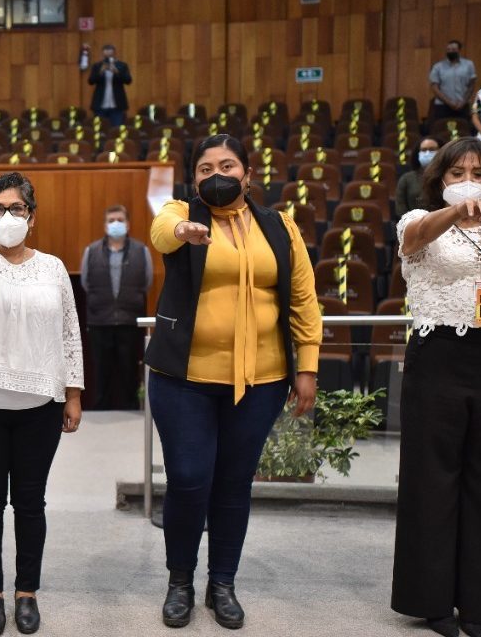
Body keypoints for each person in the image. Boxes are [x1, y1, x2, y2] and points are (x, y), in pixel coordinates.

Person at [145, 134, 320, 630]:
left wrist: (305, 367)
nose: (215, 175)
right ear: (193, 177)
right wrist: (183, 229)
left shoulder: (279, 226)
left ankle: (222, 582)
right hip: (184, 379)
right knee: (187, 480)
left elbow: (304, 300)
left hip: (261, 380)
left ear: (248, 173)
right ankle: (180, 581)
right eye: (204, 168)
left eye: (226, 165)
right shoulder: (181, 213)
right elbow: (161, 231)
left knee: (233, 485)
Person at [392, 137, 481, 637]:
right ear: (440, 180)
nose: (468, 180)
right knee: (432, 480)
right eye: (457, 173)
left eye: (477, 172)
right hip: (438, 359)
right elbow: (413, 243)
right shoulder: (419, 219)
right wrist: (454, 213)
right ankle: (429, 600)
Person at [0, 171, 84, 636]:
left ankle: (26, 592)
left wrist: (72, 391)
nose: (7, 217)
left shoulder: (52, 268)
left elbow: (69, 331)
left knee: (30, 503)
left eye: (16, 209)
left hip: (40, 406)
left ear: (32, 215)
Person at [80, 204, 152, 410]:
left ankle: (130, 408)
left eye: (119, 220)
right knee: (101, 371)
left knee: (128, 370)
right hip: (99, 321)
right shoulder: (91, 251)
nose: (115, 224)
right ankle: (101, 409)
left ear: (127, 224)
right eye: (111, 220)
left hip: (129, 321)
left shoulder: (142, 251)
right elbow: (86, 282)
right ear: (105, 225)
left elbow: (145, 283)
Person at [427, 40, 477, 133]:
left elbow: (472, 85)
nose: (450, 51)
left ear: (459, 50)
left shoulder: (468, 65)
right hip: (443, 107)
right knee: (442, 132)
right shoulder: (438, 67)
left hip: (463, 106)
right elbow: (434, 87)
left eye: (453, 49)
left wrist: (463, 101)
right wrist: (449, 102)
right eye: (448, 49)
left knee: (464, 131)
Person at [397, 137, 442, 219]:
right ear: (418, 153)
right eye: (424, 150)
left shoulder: (447, 176)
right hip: (414, 225)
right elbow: (400, 210)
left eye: (432, 149)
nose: (427, 153)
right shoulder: (406, 179)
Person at [88, 44, 133, 127]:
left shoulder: (122, 65)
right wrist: (100, 72)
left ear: (115, 54)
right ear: (102, 55)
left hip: (117, 105)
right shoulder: (97, 66)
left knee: (117, 130)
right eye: (106, 57)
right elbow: (91, 81)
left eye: (110, 56)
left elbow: (128, 81)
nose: (108, 59)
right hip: (100, 105)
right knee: (99, 130)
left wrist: (117, 72)